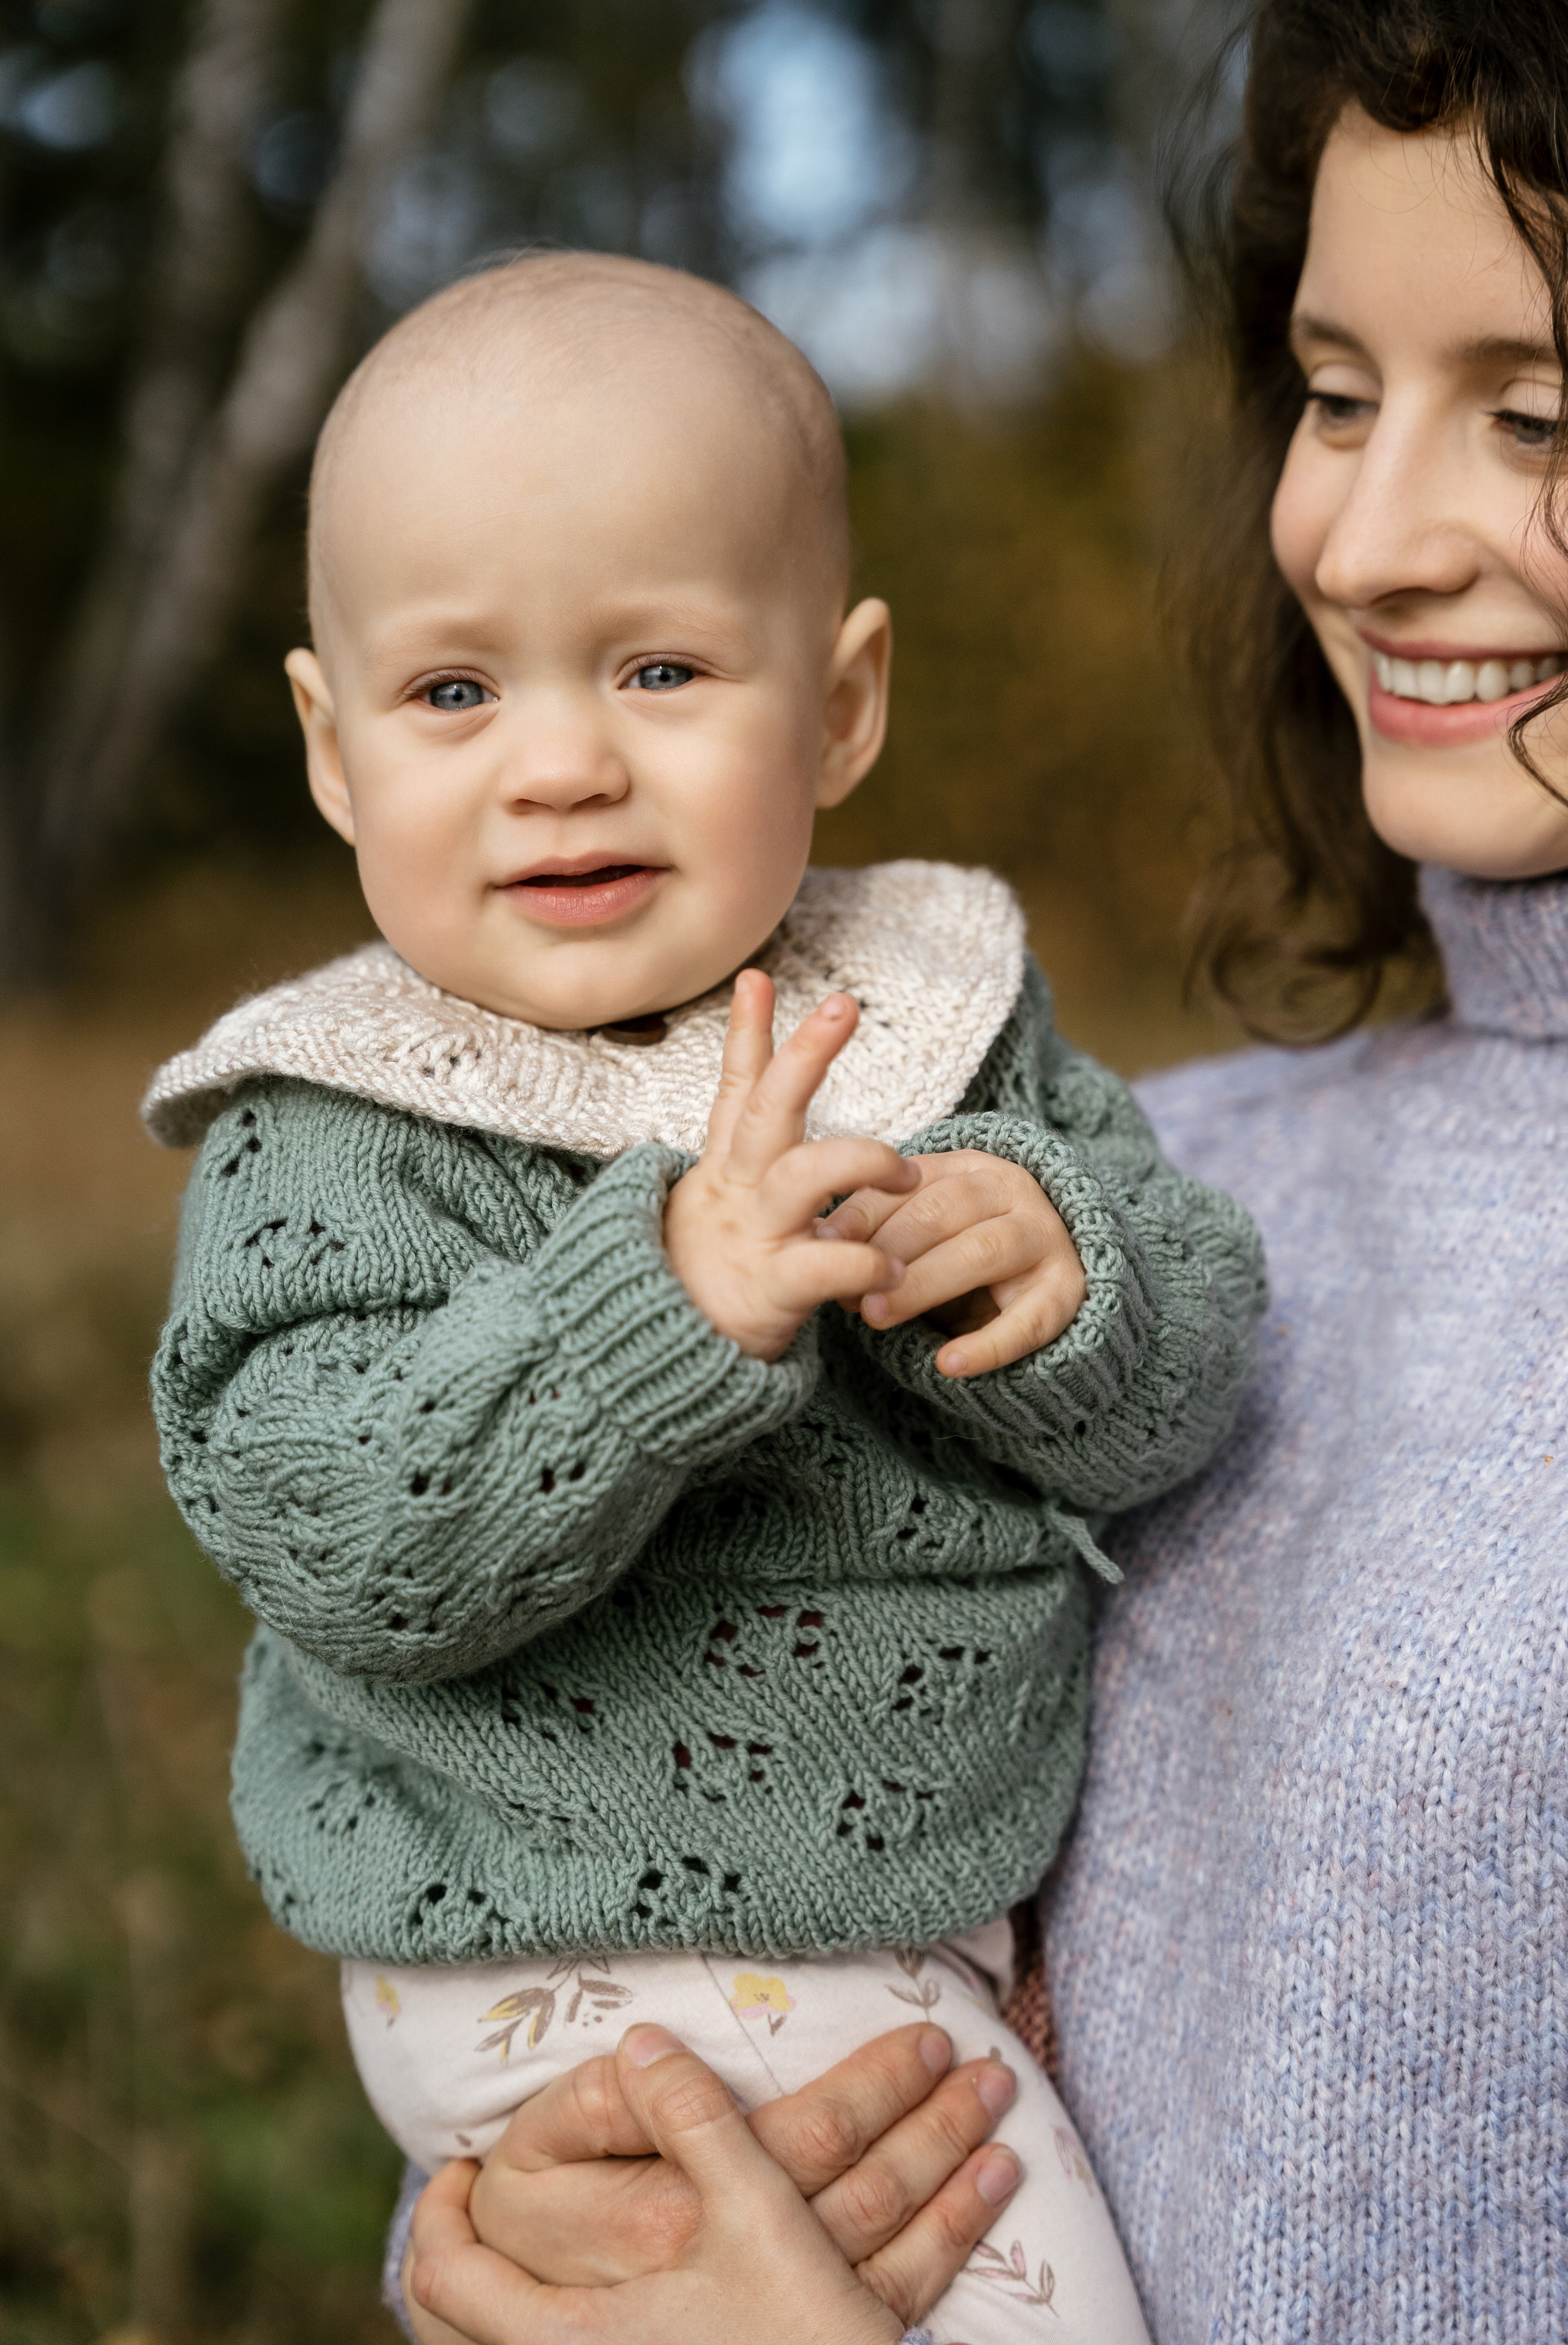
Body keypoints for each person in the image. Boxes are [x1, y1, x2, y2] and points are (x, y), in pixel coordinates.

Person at [388, 0, 1568, 2337]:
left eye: (1553, 411)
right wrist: (499, 2253)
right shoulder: (1130, 1183)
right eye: (1338, 390)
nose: (1369, 540)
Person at [142, 254, 1267, 2344]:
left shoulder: (935, 1025)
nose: (559, 764)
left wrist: (1062, 1264)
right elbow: (333, 1532)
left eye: (659, 671)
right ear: (330, 743)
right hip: (579, 1953)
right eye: (456, 692)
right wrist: (661, 1308)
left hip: (906, 1914)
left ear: (839, 704)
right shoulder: (341, 1129)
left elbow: (1200, 1353)